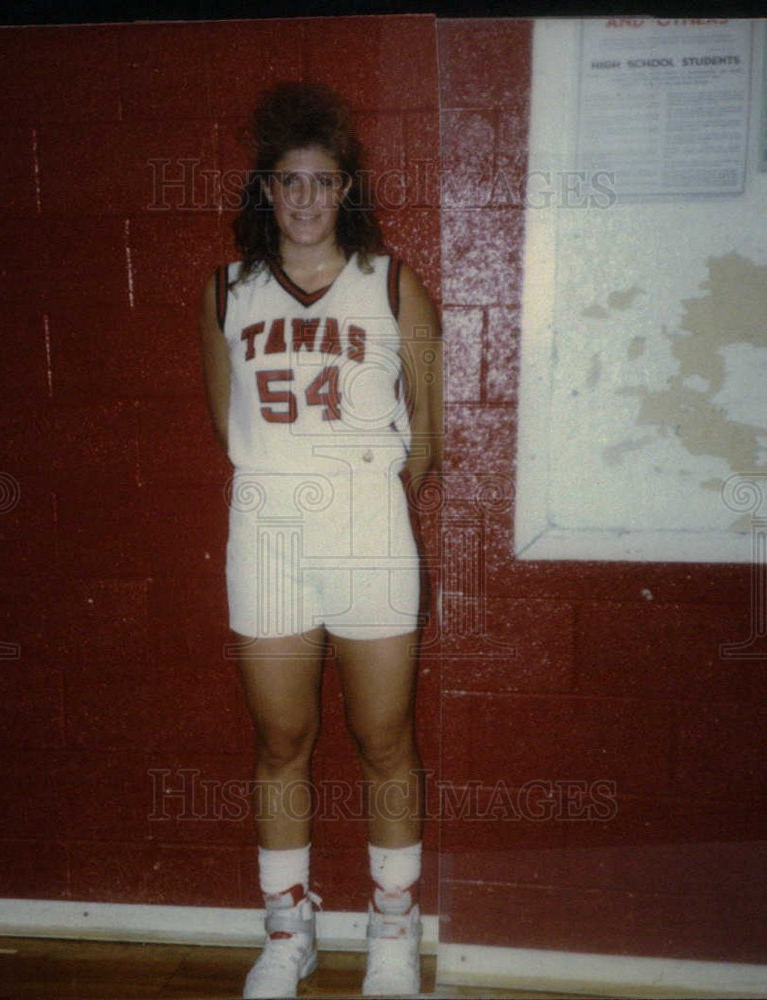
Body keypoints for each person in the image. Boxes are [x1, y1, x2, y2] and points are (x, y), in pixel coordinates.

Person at [198, 82, 442, 998]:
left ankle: (391, 928)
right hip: (264, 526)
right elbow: (229, 430)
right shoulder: (226, 289)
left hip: (366, 525)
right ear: (266, 189)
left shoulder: (390, 281)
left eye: (323, 181)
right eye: (287, 181)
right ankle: (287, 928)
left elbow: (427, 440)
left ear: (348, 190)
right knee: (279, 740)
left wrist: (358, 501)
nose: (304, 198)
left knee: (384, 738)